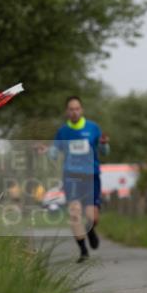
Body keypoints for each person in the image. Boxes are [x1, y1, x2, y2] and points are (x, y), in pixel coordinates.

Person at [51, 96, 110, 262]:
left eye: (77, 108)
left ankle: (90, 230)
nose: (74, 112)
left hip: (91, 176)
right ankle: (83, 251)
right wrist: (47, 151)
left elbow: (104, 152)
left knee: (93, 217)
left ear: (81, 110)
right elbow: (54, 153)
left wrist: (104, 144)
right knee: (74, 213)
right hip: (71, 177)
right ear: (67, 112)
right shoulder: (62, 132)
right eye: (71, 109)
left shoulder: (93, 128)